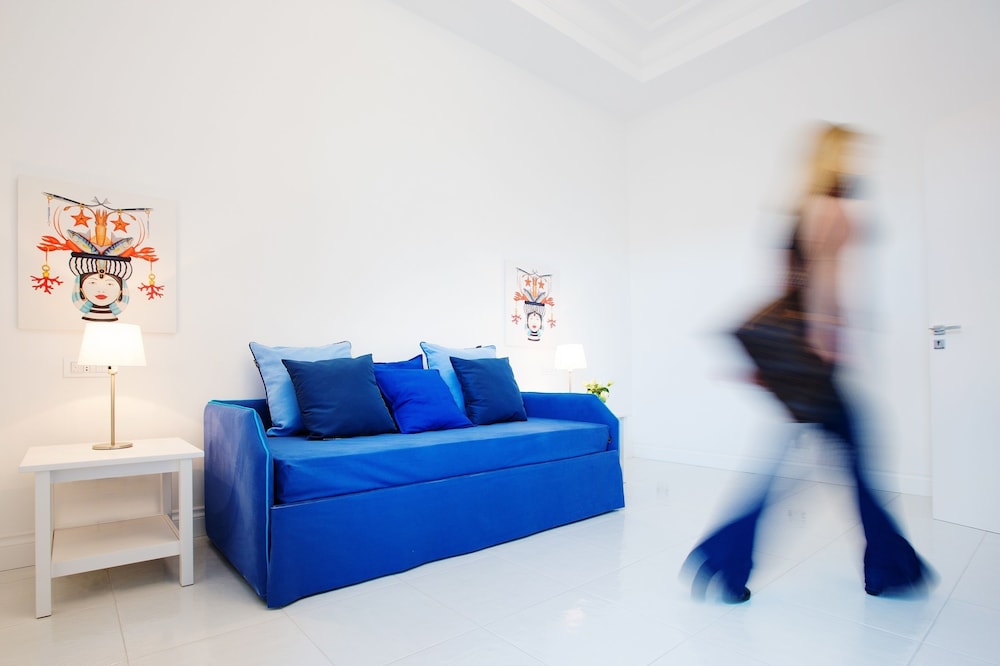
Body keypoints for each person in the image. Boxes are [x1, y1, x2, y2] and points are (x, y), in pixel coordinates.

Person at [682, 123, 933, 603]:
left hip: (803, 362)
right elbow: (824, 287)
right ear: (838, 157)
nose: (857, 162)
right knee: (854, 461)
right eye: (851, 153)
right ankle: (884, 567)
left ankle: (724, 559)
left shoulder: (798, 211)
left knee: (823, 462)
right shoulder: (834, 208)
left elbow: (784, 285)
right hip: (820, 363)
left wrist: (780, 359)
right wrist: (829, 346)